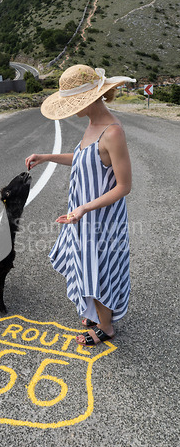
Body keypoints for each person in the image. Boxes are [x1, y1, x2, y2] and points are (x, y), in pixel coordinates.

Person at [25, 65, 136, 346]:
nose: (70, 109)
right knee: (85, 265)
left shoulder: (113, 132)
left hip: (102, 220)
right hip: (81, 215)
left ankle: (106, 327)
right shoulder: (91, 125)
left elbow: (124, 186)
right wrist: (46, 156)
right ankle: (96, 313)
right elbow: (82, 158)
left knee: (98, 268)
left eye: (74, 102)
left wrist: (86, 208)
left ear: (91, 99)